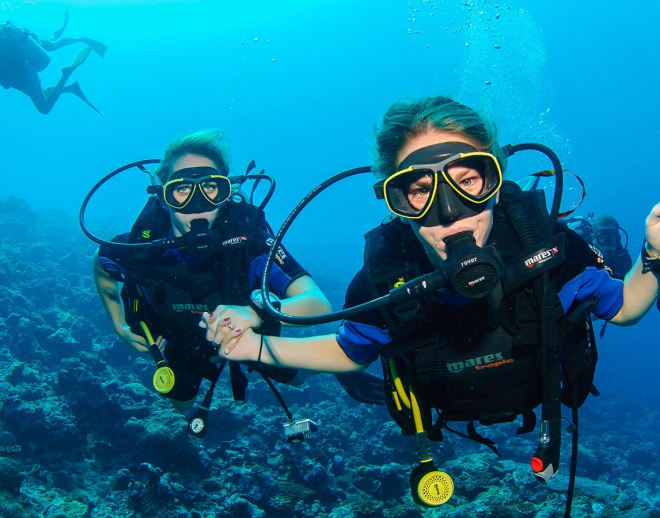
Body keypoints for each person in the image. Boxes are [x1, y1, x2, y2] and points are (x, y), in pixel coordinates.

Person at [203, 96, 660, 511]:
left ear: (496, 182)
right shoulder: (383, 277)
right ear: (396, 201)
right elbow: (349, 350)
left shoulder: (547, 248)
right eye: (421, 190)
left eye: (468, 181)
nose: (450, 212)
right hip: (443, 413)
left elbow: (623, 307)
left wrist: (654, 253)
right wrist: (253, 349)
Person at [93, 130, 345, 436]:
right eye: (182, 189)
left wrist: (254, 314)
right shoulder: (143, 247)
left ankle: (346, 363)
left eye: (211, 187)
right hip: (180, 340)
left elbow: (317, 303)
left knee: (297, 378)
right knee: (180, 404)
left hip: (250, 336)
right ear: (163, 195)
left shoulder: (249, 242)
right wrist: (119, 326)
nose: (198, 204)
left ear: (226, 192)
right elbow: (102, 264)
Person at [0, 12, 105, 115]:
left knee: (44, 108)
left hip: (22, 73)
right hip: (23, 45)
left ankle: (66, 74)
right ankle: (81, 39)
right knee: (53, 43)